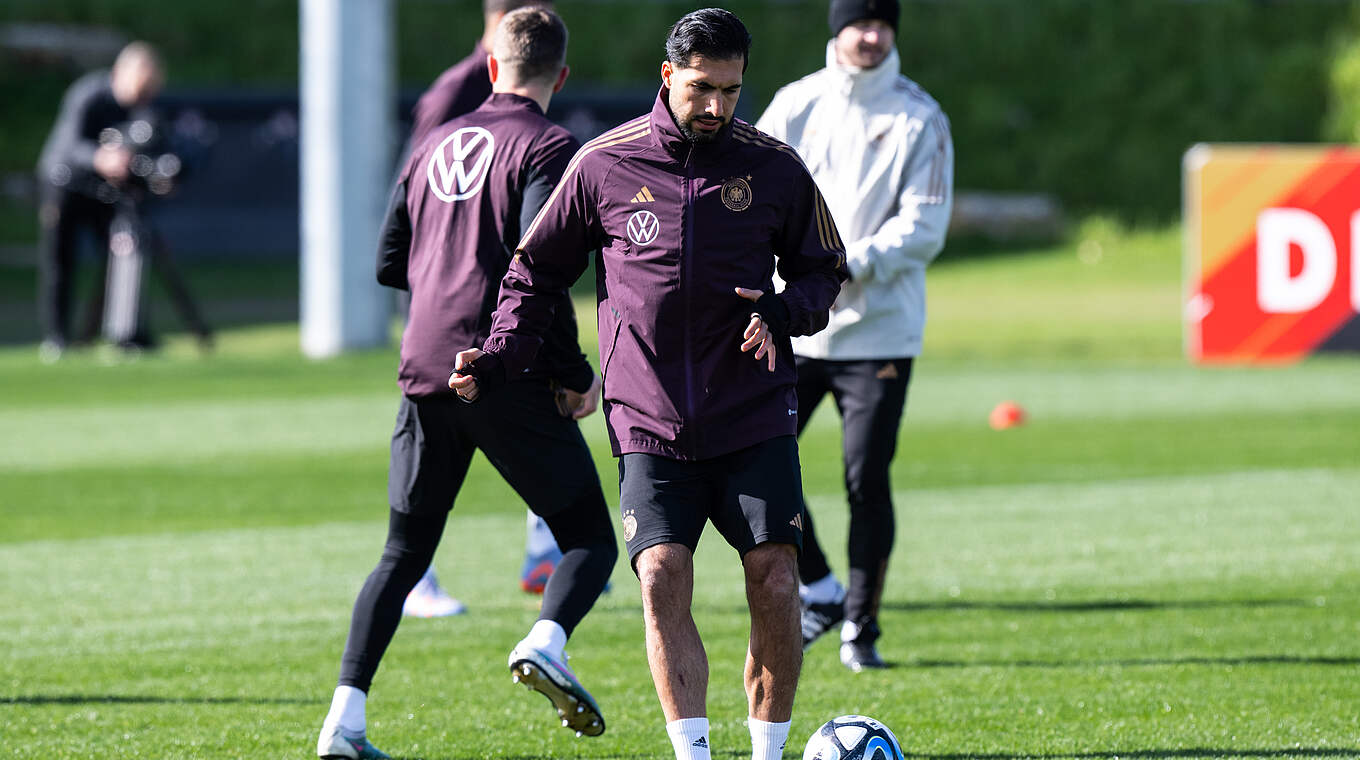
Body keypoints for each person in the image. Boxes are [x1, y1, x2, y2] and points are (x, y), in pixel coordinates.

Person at [450, 9, 846, 760]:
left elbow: (824, 268)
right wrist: (498, 357)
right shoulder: (604, 164)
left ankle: (768, 751)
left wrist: (782, 311)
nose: (716, 107)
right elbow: (533, 274)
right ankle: (692, 753)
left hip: (752, 411)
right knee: (662, 574)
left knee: (775, 577)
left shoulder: (774, 167)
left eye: (730, 90)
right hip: (647, 416)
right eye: (702, 88)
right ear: (668, 77)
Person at [316, 9, 616, 759]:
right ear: (562, 75)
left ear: (489, 66)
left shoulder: (433, 143)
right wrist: (576, 374)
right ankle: (547, 642)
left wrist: (445, 270)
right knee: (587, 539)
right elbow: (537, 266)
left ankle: (342, 725)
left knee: (401, 556)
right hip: (495, 370)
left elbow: (391, 262)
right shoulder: (549, 145)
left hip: (422, 369)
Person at [755, 0, 954, 672]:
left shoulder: (919, 115)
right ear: (836, 29)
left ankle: (861, 628)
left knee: (866, 479)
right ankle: (822, 589)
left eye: (882, 24)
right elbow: (753, 196)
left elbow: (923, 228)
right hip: (799, 325)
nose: (870, 36)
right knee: (757, 463)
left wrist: (838, 266)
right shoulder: (794, 105)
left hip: (881, 332)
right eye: (858, 23)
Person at [401, 0, 561, 618]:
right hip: (456, 297)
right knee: (440, 446)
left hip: (502, 298)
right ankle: (418, 574)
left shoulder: (531, 79)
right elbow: (420, 183)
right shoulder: (456, 92)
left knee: (538, 410)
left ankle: (543, 553)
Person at [35, 41, 211, 360]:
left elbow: (154, 147)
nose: (144, 95)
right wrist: (100, 157)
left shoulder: (143, 109)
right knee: (61, 259)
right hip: (64, 184)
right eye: (140, 87)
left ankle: (124, 331)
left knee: (124, 252)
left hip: (106, 191)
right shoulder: (88, 95)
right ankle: (57, 337)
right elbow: (67, 145)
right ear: (122, 73)